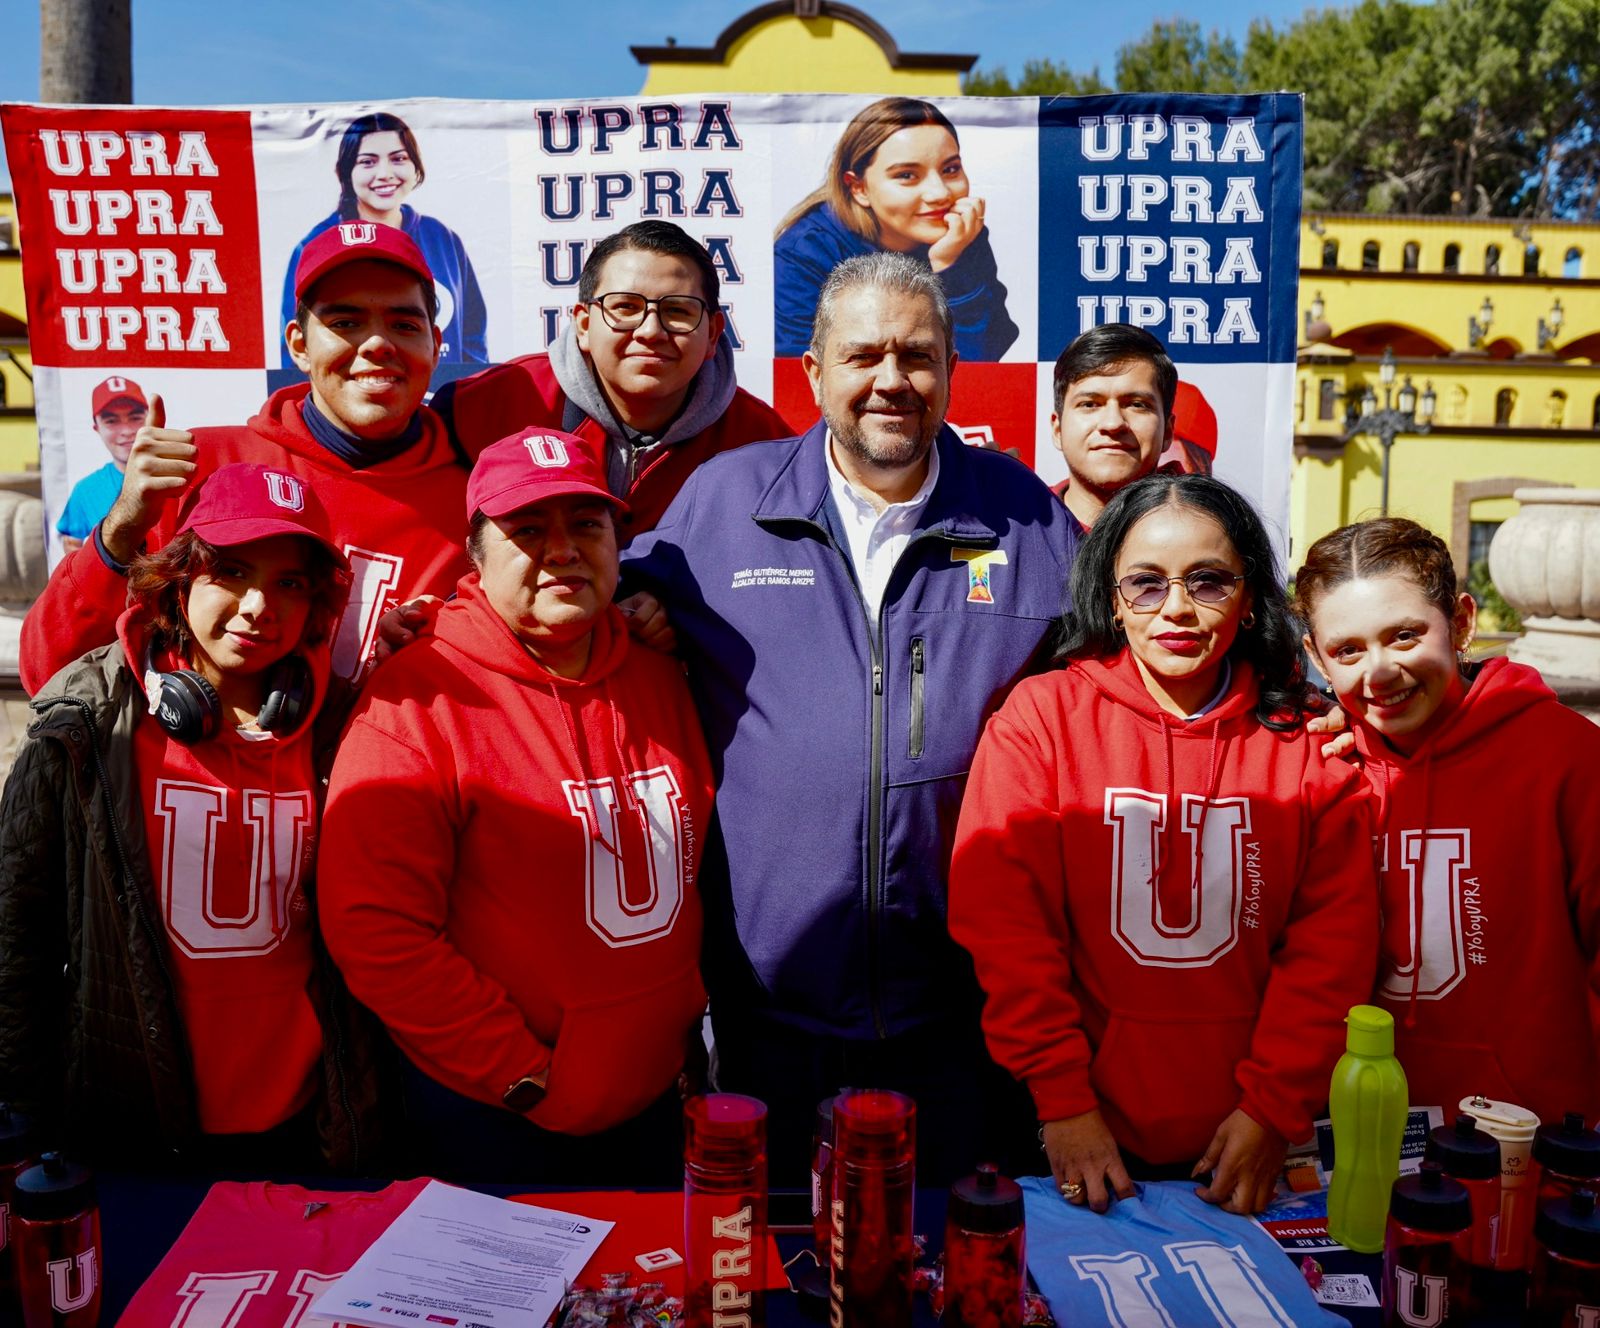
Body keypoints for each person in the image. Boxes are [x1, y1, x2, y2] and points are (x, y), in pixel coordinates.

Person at [624, 251, 1079, 1184]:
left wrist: (1291, 707)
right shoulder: (723, 504)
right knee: (782, 1274)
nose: (891, 381)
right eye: (863, 354)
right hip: (769, 1021)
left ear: (952, 369)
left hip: (963, 1022)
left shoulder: (1026, 517)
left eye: (917, 356)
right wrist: (634, 608)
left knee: (944, 1269)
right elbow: (585, 598)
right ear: (813, 372)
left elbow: (1139, 653)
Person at [948, 473, 1379, 1216]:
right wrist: (1061, 1099)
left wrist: (1272, 1107)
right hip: (1074, 1129)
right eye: (1145, 584)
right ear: (1112, 600)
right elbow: (1008, 929)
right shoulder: (1040, 720)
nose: (1176, 607)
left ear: (1248, 600)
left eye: (1208, 582)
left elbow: (1331, 950)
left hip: (1243, 1141)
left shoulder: (1307, 741)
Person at [317, 427, 713, 1186]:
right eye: (527, 530)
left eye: (586, 525)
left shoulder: (661, 676)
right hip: (496, 1118)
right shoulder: (419, 694)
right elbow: (375, 926)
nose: (562, 550)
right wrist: (520, 1073)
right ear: (476, 554)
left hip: (655, 1105)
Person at [0, 463, 378, 1170]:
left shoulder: (345, 723)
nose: (259, 605)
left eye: (289, 582)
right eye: (230, 572)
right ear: (177, 580)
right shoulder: (87, 714)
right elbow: (16, 925)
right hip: (132, 1123)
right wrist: (18, 1113)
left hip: (305, 1124)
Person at [21, 222, 471, 694]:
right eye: (345, 323)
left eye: (404, 324)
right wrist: (123, 529)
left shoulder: (480, 506)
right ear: (298, 344)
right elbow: (48, 673)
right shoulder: (200, 466)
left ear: (435, 343)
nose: (378, 343)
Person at [1296, 517, 1600, 1125]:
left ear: (1461, 622)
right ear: (1316, 659)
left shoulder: (1566, 756)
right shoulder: (1319, 764)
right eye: (1348, 650)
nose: (1379, 672)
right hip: (1351, 1135)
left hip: (1532, 1140)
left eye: (1405, 636)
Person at [430, 220, 791, 535]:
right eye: (625, 307)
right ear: (584, 325)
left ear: (712, 334)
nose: (650, 331)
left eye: (677, 311)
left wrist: (681, 600)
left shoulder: (766, 446)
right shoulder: (479, 409)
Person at [774, 97, 1018, 363]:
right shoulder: (804, 252)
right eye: (906, 175)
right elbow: (799, 376)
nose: (940, 193)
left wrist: (950, 267)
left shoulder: (959, 234)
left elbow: (982, 361)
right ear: (859, 188)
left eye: (950, 169)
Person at [280, 111, 487, 366]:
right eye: (368, 162)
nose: (385, 173)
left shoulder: (443, 239)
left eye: (398, 158)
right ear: (347, 172)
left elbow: (473, 338)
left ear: (415, 166)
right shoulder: (313, 247)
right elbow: (291, 363)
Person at [1048, 323, 1177, 531]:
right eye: (1089, 404)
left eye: (1137, 405)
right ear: (1057, 429)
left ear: (1168, 432)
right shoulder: (1016, 521)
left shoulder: (1213, 528)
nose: (1113, 423)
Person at [56, 375, 149, 554]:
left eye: (135, 417)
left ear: (149, 419)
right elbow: (72, 547)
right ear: (97, 428)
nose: (127, 431)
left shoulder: (178, 478)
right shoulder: (86, 490)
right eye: (112, 421)